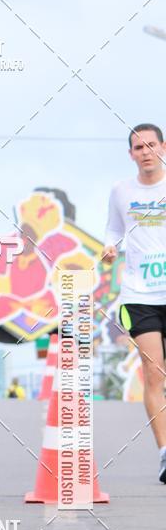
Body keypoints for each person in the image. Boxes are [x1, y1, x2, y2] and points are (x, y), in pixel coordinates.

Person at [103, 122, 166, 482]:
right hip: (140, 294)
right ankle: (164, 452)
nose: (145, 152)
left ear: (163, 148)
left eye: (151, 145)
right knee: (153, 372)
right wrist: (110, 247)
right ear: (131, 154)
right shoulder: (121, 190)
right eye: (138, 148)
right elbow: (113, 229)